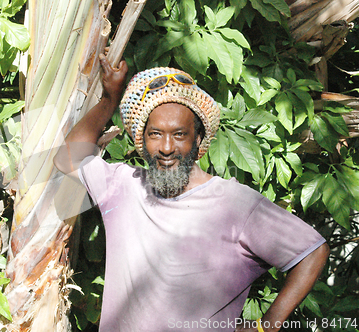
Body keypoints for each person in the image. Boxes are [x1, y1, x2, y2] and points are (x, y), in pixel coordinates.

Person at [54, 54, 330, 332]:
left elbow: (312, 252)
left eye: (179, 134)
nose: (165, 147)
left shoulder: (235, 204)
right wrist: (109, 100)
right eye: (154, 134)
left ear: (198, 140)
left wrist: (267, 326)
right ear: (142, 139)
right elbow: (67, 157)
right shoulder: (124, 185)